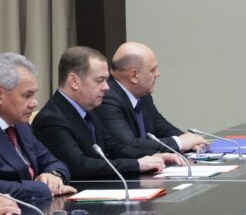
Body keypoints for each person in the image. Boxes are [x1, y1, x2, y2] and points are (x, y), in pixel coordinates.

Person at [31, 46, 184, 180]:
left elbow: (114, 148)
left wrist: (152, 156)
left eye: (106, 80)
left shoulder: (89, 109)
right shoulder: (52, 119)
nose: (106, 87)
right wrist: (136, 164)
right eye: (99, 80)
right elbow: (80, 166)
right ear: (73, 81)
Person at [94, 42, 208, 153]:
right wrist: (179, 142)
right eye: (153, 70)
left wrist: (190, 141)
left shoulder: (143, 94)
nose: (158, 74)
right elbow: (129, 145)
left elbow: (161, 127)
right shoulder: (107, 98)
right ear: (134, 75)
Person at [0, 53, 75, 201]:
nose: (35, 103)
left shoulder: (22, 127)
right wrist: (42, 188)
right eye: (27, 95)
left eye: (34, 95)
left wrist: (53, 176)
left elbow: (54, 163)